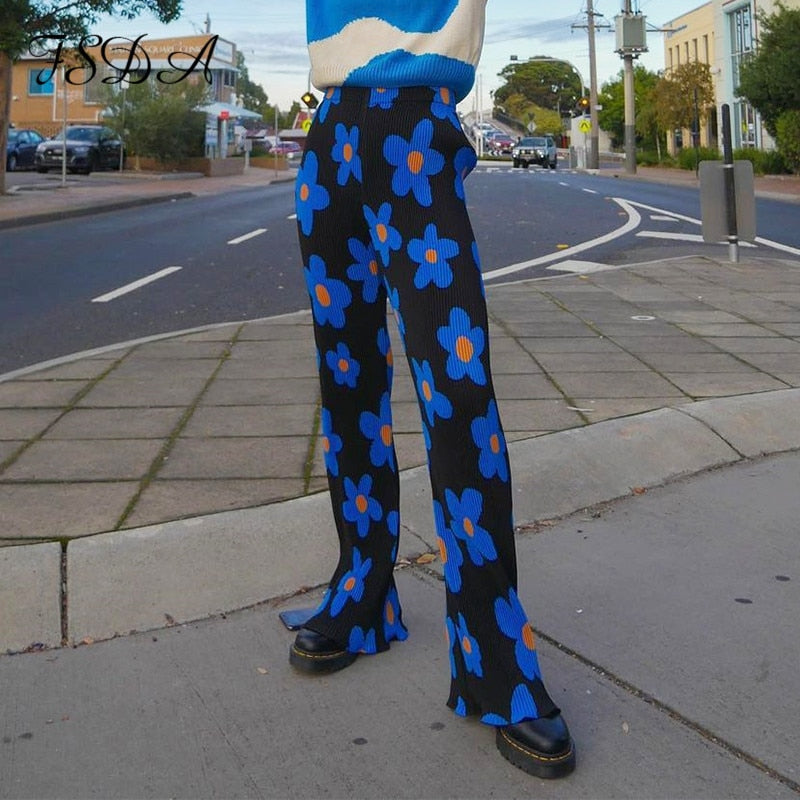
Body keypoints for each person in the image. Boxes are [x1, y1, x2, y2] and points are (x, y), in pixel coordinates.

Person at [290, 0, 576, 779]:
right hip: (328, 132)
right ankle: (361, 593)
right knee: (347, 379)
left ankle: (493, 656)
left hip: (416, 126)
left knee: (458, 393)